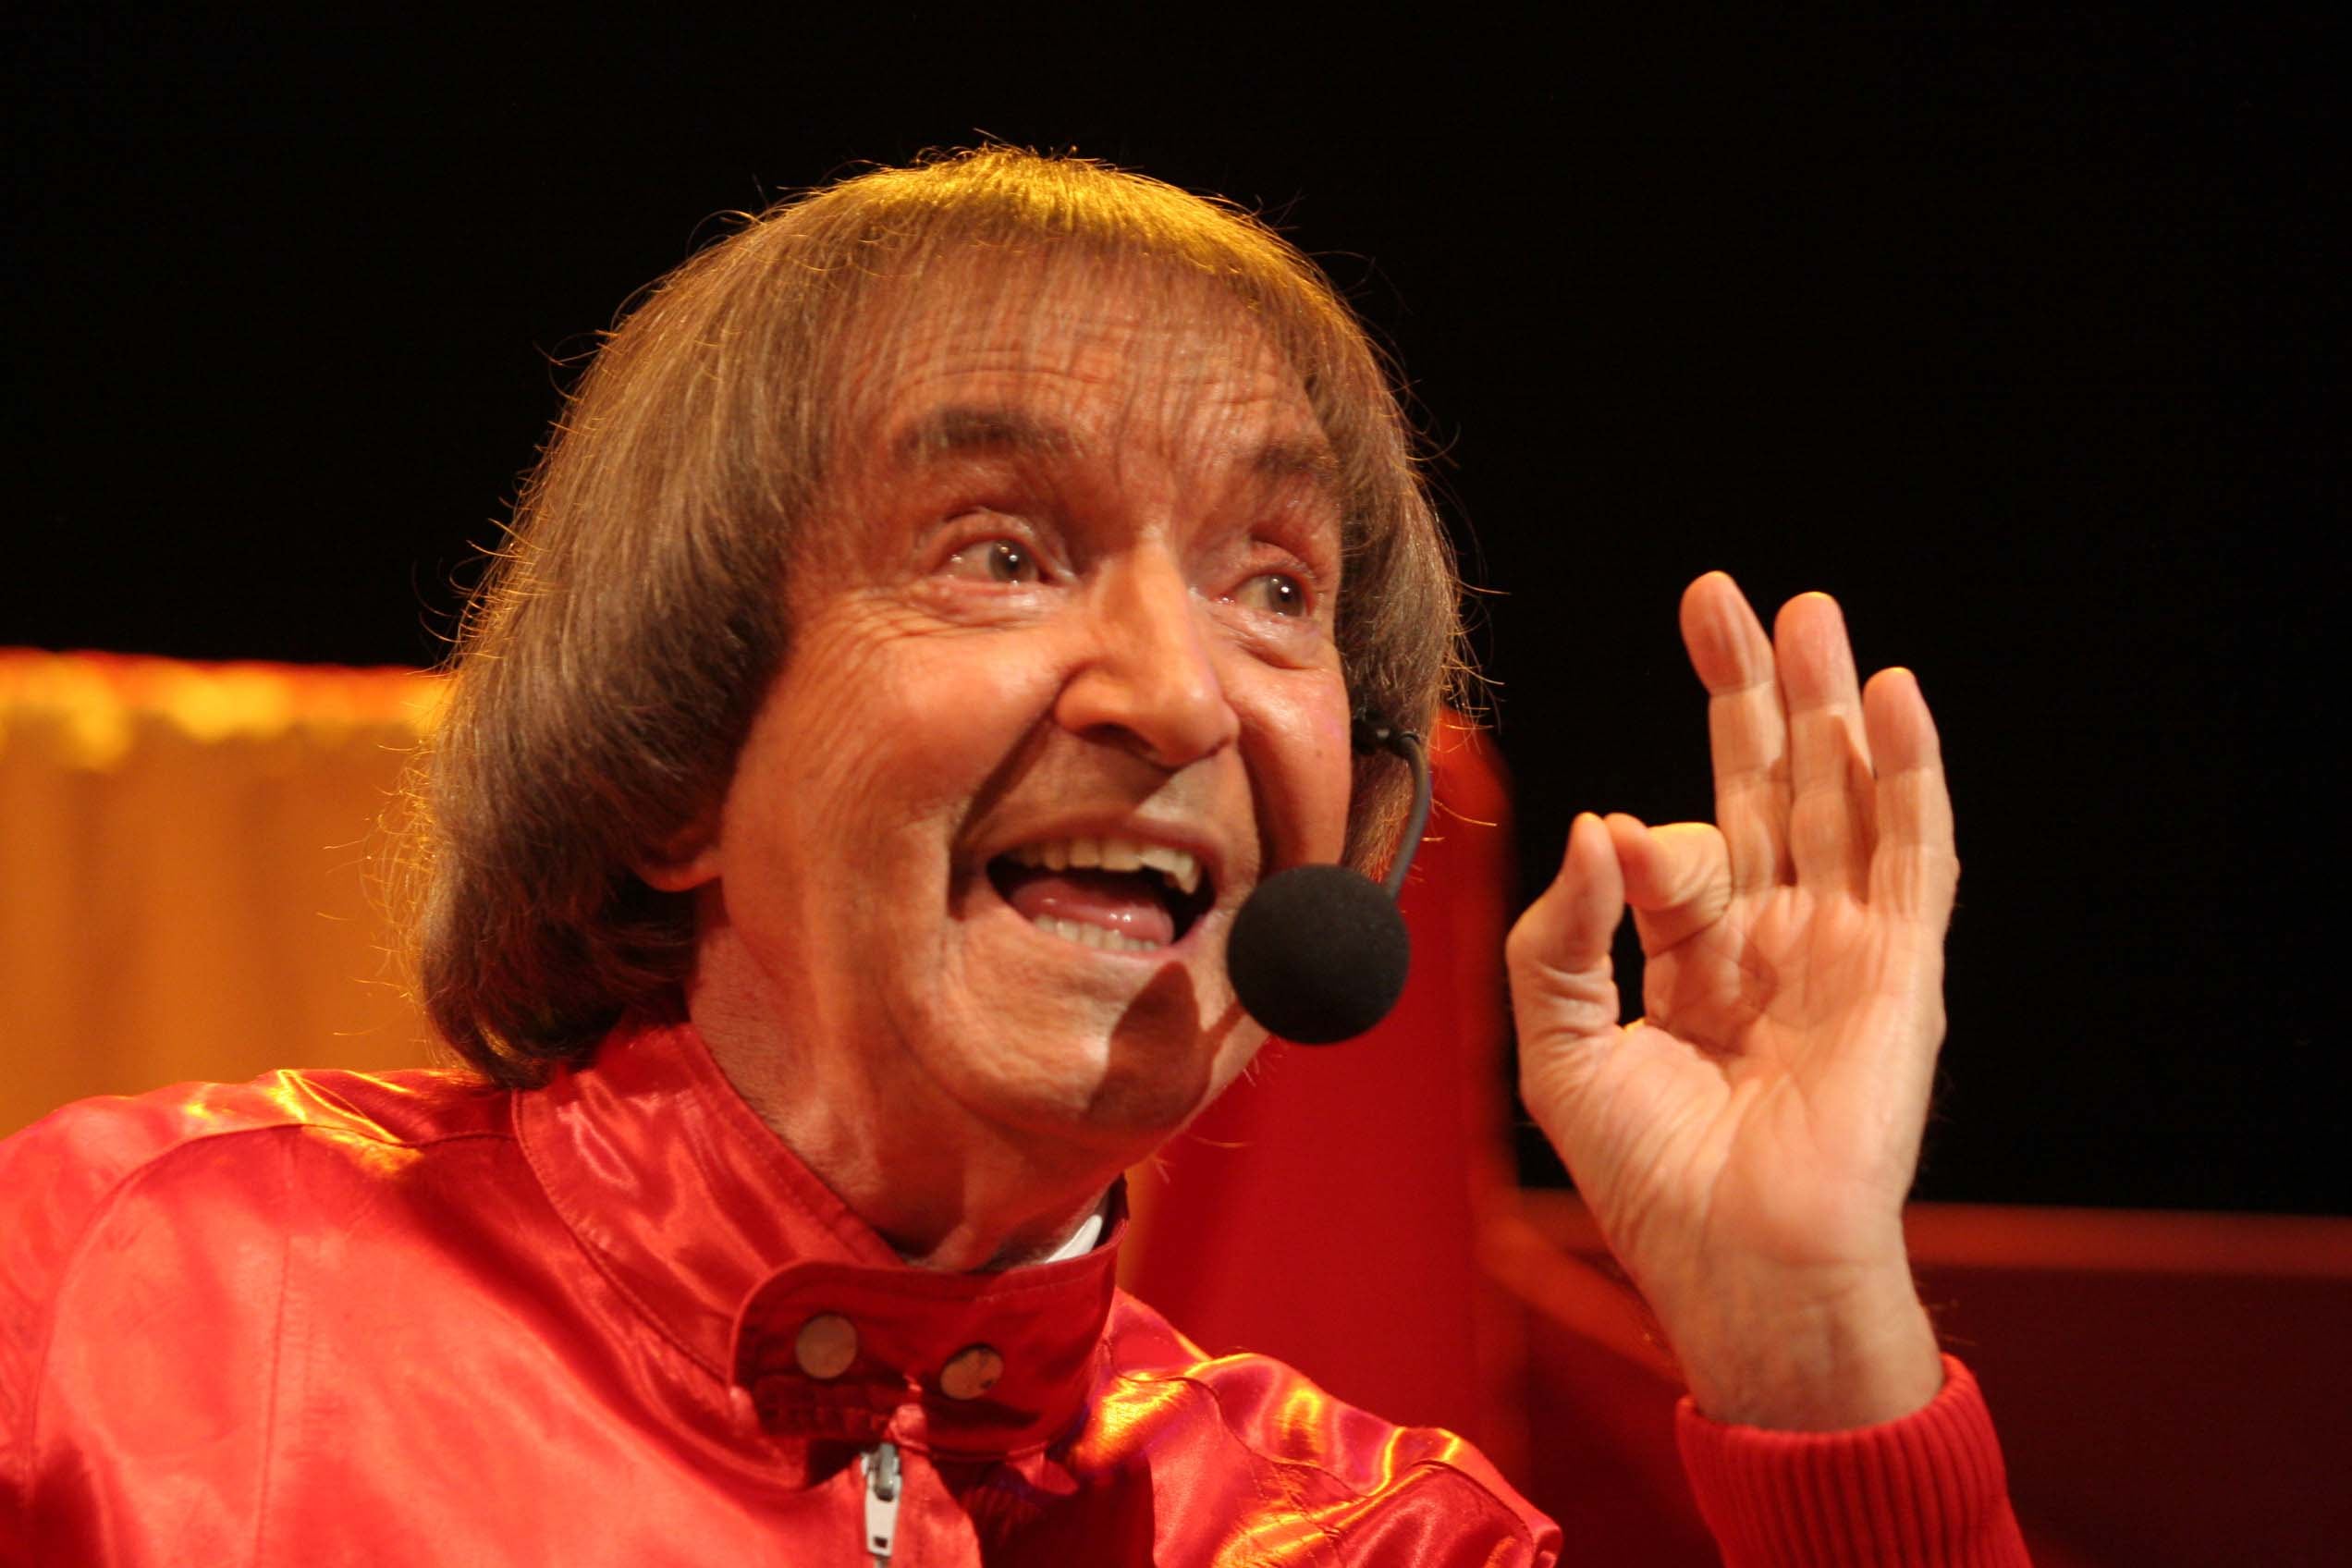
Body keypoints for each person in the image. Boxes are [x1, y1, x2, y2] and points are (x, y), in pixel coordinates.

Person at [0, 149, 2027, 1564]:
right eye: (1002, 550)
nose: (1180, 692)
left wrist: (1813, 1346)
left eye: (1273, 583)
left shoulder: (1368, 1539)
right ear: (671, 765)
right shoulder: (111, 1300)